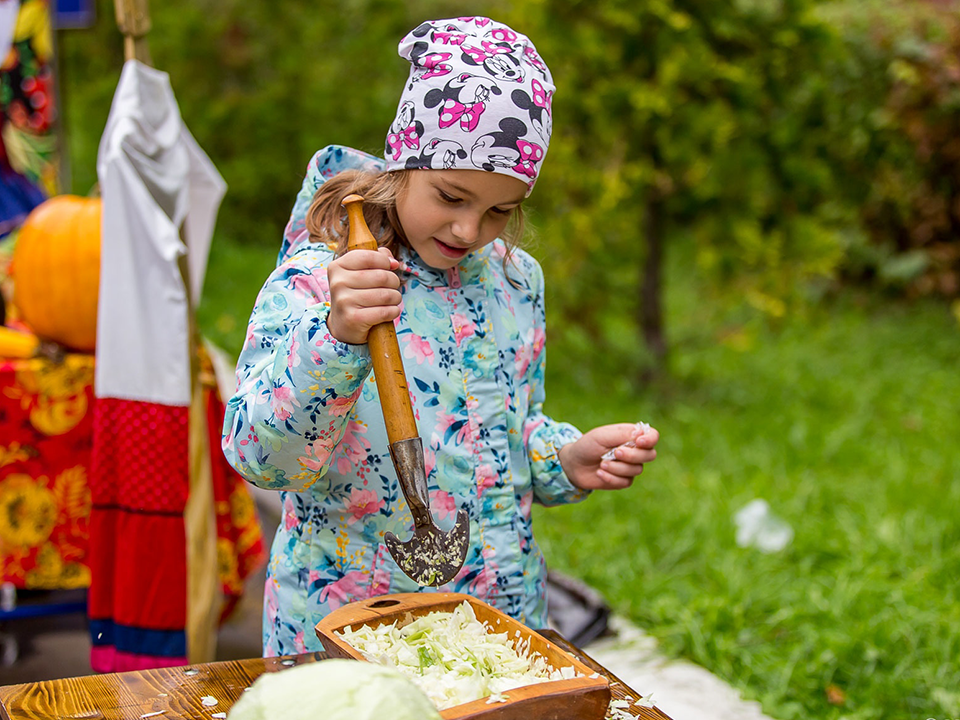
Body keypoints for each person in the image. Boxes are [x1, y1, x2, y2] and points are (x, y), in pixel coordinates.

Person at [222, 16, 660, 657]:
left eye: (498, 210)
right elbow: (259, 456)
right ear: (403, 161)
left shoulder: (515, 283)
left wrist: (562, 459)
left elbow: (504, 428)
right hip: (349, 638)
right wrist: (336, 338)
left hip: (498, 628)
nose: (467, 230)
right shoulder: (325, 280)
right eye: (450, 196)